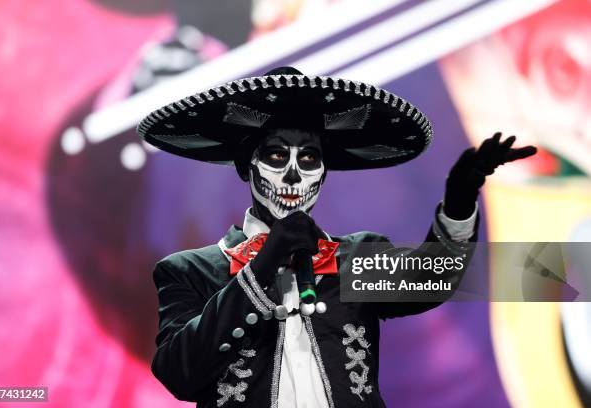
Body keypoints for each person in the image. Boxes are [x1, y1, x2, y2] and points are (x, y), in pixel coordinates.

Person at [137, 66, 536, 407]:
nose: (294, 174)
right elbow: (178, 372)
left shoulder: (352, 258)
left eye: (309, 158)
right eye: (277, 156)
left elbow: (433, 279)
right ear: (247, 166)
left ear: (324, 172)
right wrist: (264, 265)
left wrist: (461, 201)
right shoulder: (190, 270)